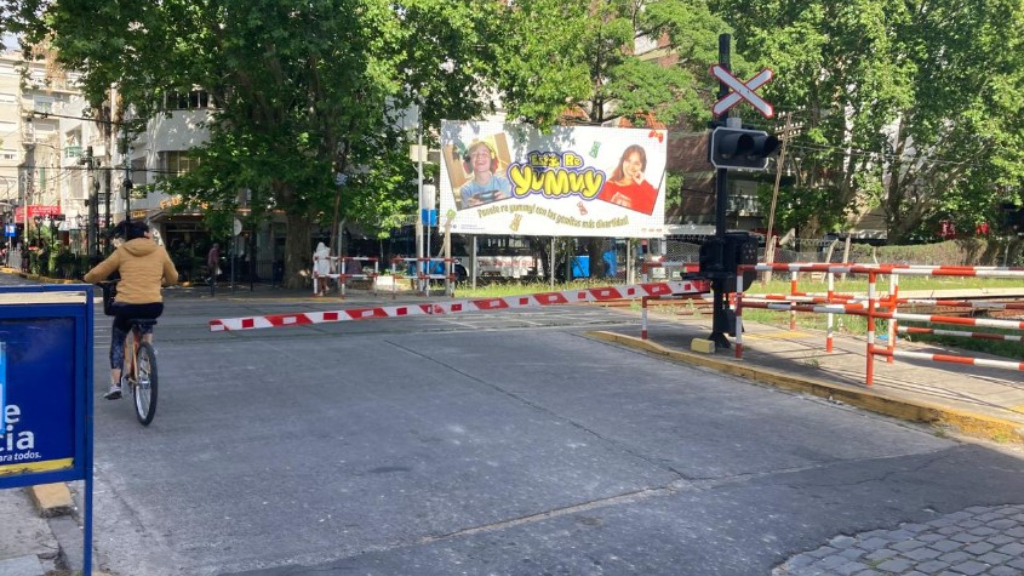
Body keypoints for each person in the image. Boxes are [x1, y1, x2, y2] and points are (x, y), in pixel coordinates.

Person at [84, 220, 179, 400]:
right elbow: (173, 278)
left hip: (126, 306)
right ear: (145, 234)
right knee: (146, 322)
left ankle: (115, 384)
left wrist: (88, 277)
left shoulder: (122, 251)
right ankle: (146, 359)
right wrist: (161, 283)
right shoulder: (159, 251)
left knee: (118, 339)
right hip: (153, 306)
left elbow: (97, 273)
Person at [597, 144, 658, 215]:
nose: (631, 167)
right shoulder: (607, 186)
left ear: (642, 167)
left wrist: (643, 183)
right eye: (628, 161)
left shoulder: (645, 190)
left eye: (636, 163)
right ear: (622, 162)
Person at [459, 141, 511, 208]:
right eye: (474, 154)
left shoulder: (503, 182)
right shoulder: (465, 190)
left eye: (484, 154)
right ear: (469, 162)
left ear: (491, 159)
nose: (480, 156)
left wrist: (506, 201)